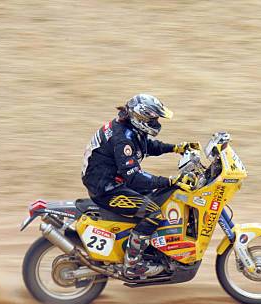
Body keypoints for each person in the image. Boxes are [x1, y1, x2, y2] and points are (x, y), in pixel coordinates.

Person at [81, 94, 195, 278]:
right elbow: (134, 177)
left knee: (160, 195)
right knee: (153, 212)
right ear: (141, 117)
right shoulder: (123, 138)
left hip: (111, 180)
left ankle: (151, 248)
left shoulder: (128, 129)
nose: (157, 122)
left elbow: (146, 146)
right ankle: (132, 264)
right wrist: (170, 180)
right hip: (107, 189)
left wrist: (176, 148)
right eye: (154, 118)